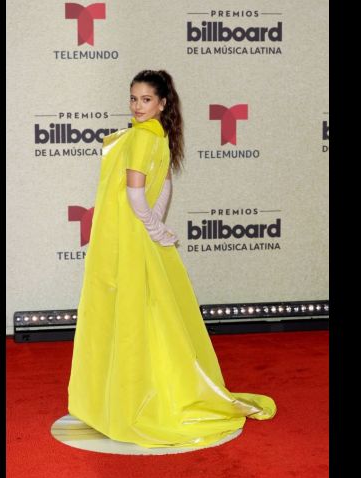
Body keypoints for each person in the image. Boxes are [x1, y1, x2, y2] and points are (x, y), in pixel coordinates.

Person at [67, 70, 276, 448]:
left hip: (128, 235)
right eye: (133, 98)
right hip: (131, 234)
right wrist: (154, 227)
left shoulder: (148, 137)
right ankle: (137, 396)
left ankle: (125, 397)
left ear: (163, 103)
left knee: (137, 311)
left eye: (145, 100)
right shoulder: (147, 136)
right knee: (149, 310)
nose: (137, 106)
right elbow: (137, 194)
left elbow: (160, 183)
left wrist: (154, 225)